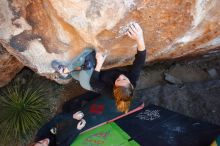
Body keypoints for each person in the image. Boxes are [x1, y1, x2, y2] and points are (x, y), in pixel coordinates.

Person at [90, 22, 146, 113]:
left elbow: (93, 83)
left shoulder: (110, 92)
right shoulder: (132, 79)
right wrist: (140, 38)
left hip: (96, 77)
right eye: (124, 79)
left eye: (118, 81)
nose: (121, 76)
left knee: (88, 58)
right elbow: (140, 60)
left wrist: (99, 64)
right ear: (131, 85)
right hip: (108, 72)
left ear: (114, 87)